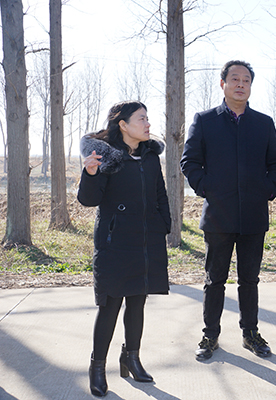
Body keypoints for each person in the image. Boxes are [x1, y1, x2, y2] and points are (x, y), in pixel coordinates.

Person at [181, 60, 276, 361]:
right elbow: (189, 162)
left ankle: (250, 333)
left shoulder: (263, 123)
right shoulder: (205, 121)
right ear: (223, 83)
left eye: (246, 80)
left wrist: (267, 189)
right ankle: (210, 335)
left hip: (253, 215)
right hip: (218, 215)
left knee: (249, 280)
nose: (241, 84)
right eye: (235, 79)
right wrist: (207, 188)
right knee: (214, 279)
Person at [78, 101, 171, 397]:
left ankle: (131, 358)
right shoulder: (105, 156)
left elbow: (160, 193)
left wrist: (163, 224)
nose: (148, 124)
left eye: (147, 118)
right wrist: (91, 173)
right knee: (110, 306)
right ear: (123, 125)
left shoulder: (150, 157)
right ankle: (97, 367)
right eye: (141, 119)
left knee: (137, 302)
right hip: (114, 243)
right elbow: (89, 200)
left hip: (145, 240)